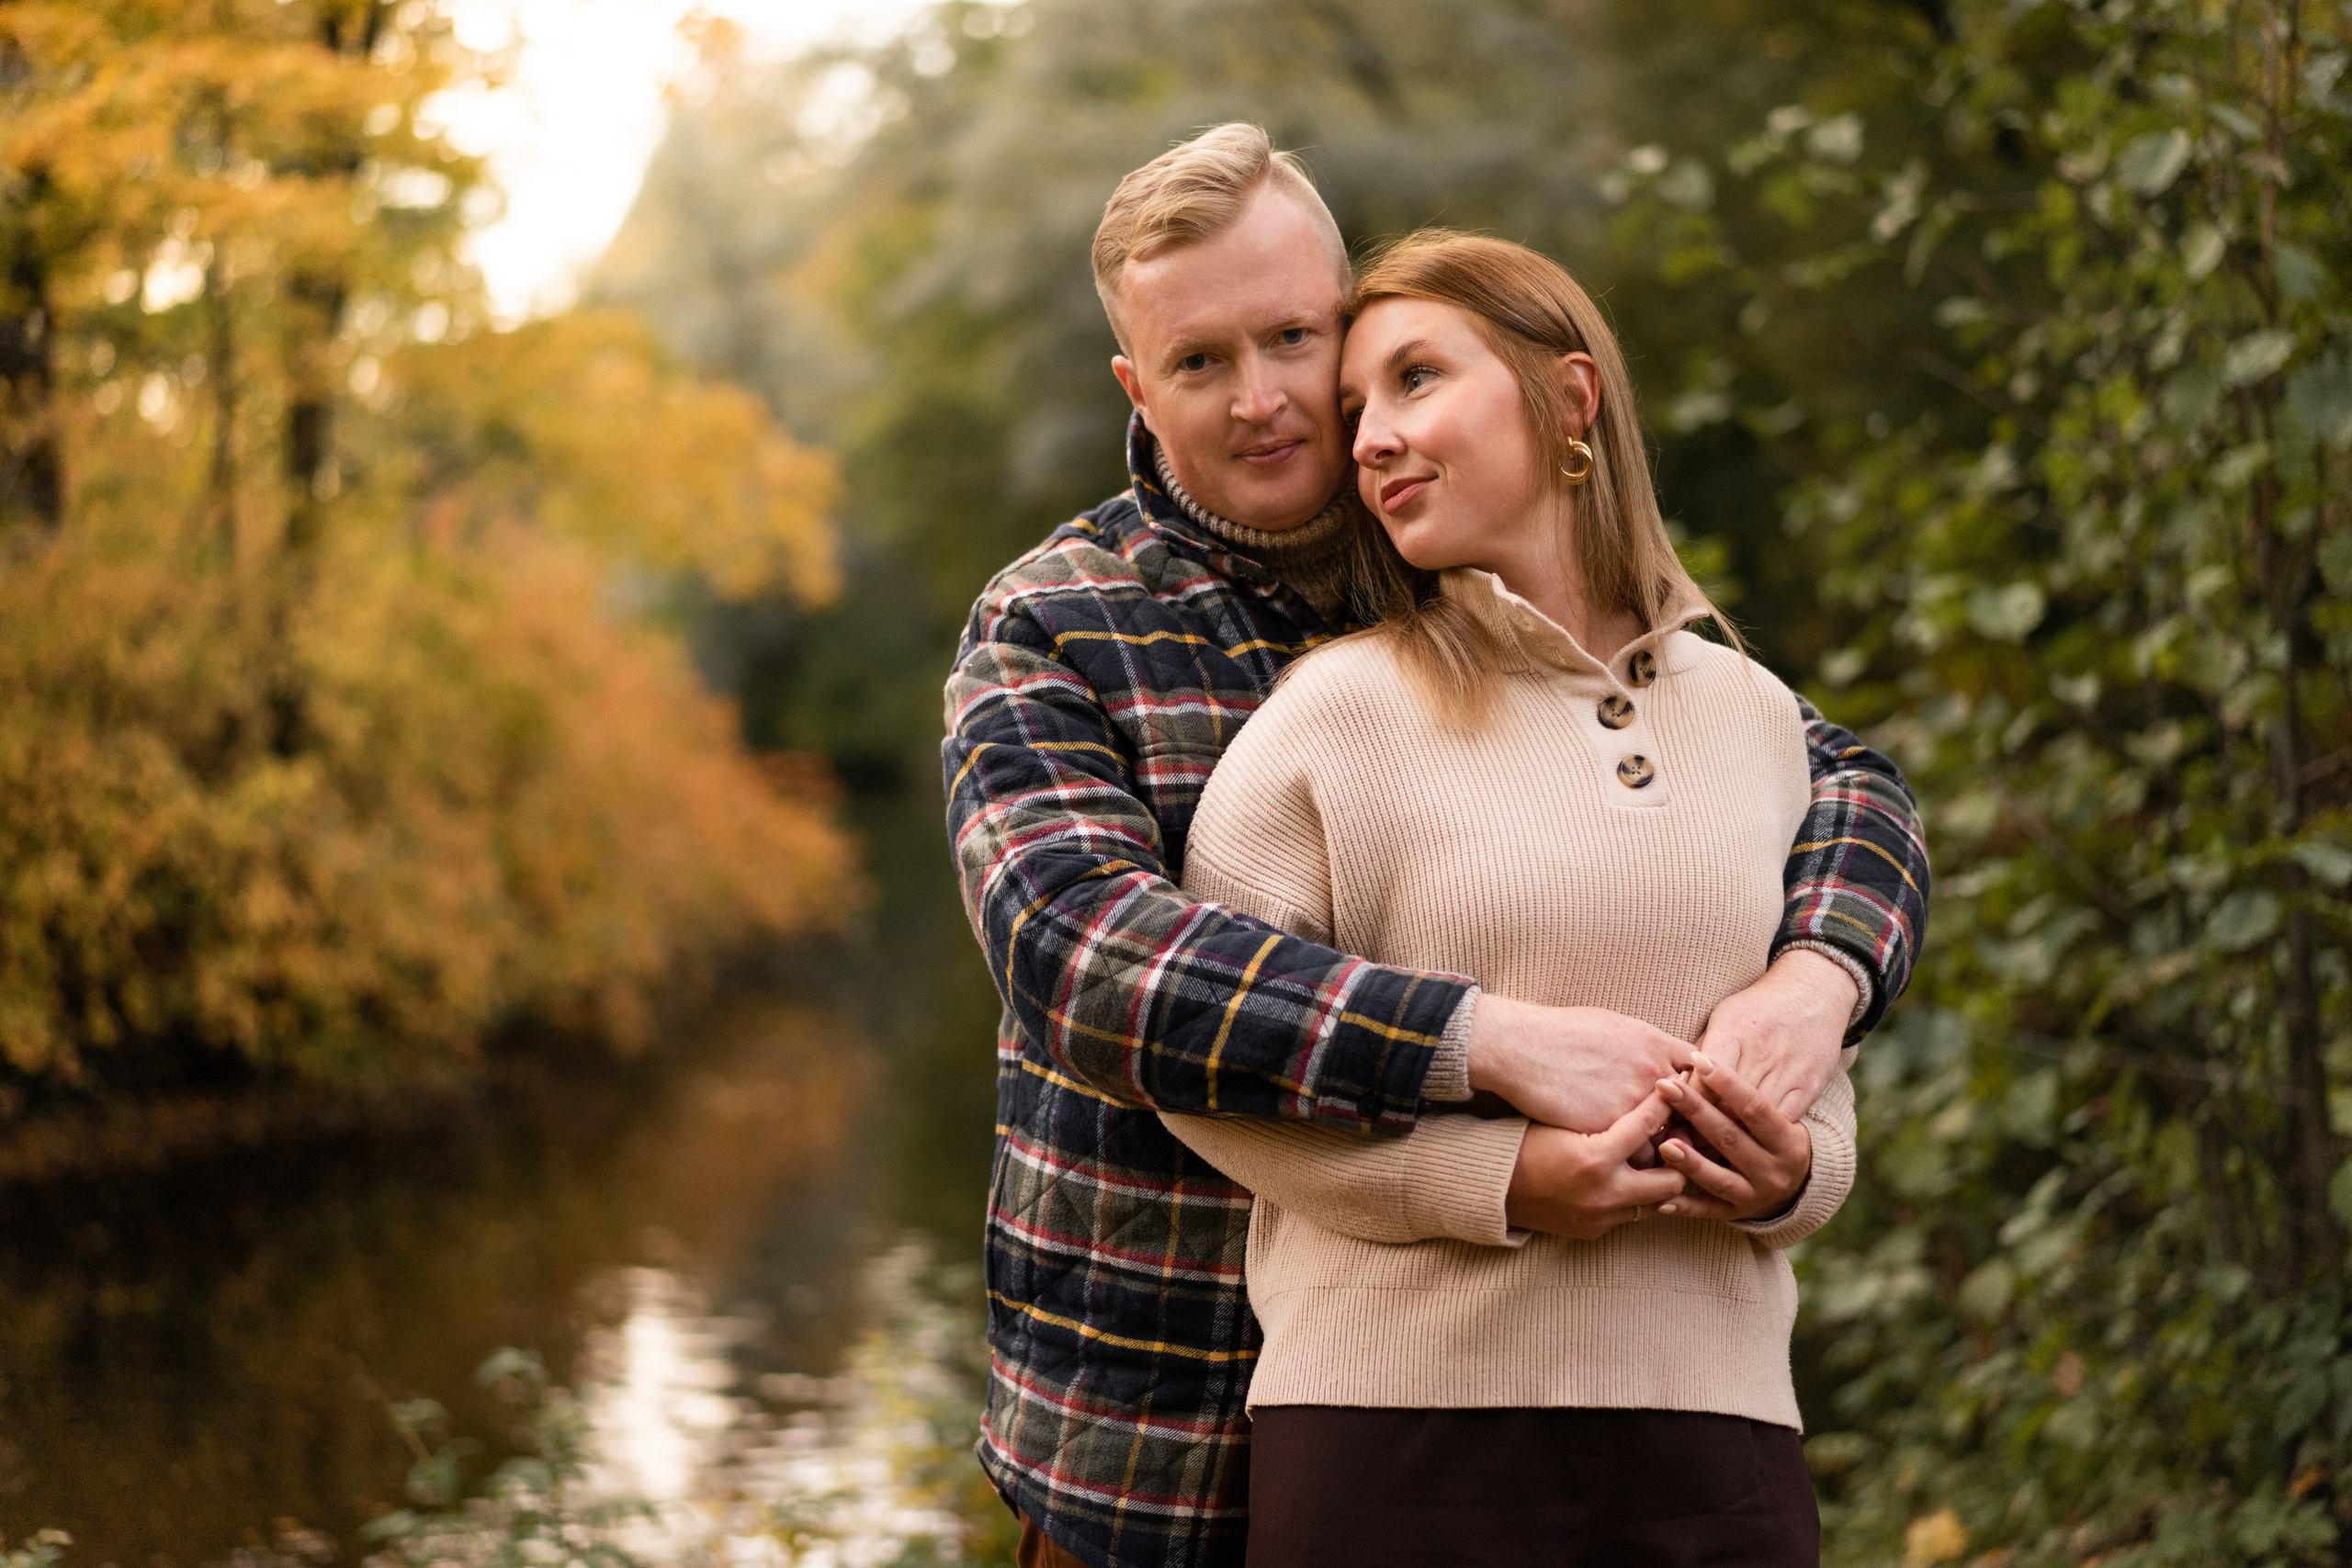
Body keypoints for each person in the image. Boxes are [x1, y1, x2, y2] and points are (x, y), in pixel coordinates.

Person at [942, 124, 1929, 1568]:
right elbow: (1082, 959)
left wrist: (1821, 975)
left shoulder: (1459, 543)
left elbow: (1835, 780)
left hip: (1513, 1395)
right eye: (1201, 361)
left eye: (1295, 339)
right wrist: (1482, 1042)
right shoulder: (1054, 623)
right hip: (1154, 1432)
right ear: (1135, 387)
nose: (1266, 399)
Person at [1161, 229, 1849, 1566]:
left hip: (1720, 1444)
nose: (1368, 438)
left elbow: (1813, 1069)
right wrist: (1502, 1180)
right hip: (1393, 1442)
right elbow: (1207, 1082)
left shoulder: (1760, 718)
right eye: (1356, 405)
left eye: (1416, 379)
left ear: (1569, 398)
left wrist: (1797, 1173)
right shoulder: (1335, 713)